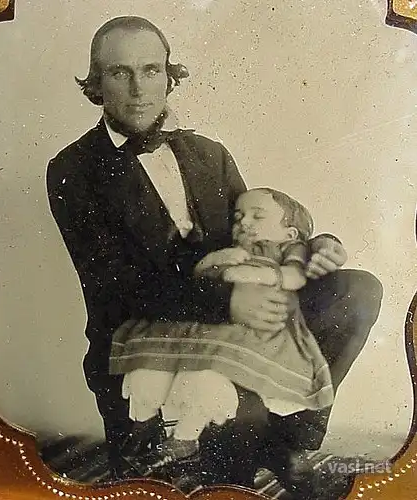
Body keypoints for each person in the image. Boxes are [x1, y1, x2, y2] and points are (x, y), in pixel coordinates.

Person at [46, 15, 383, 493]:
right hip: (143, 338)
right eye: (121, 73)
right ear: (97, 84)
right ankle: (233, 440)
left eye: (152, 70)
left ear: (169, 76)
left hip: (231, 331)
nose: (139, 88)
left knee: (357, 289)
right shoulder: (73, 168)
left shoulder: (210, 153)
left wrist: (315, 245)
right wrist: (228, 301)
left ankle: (292, 442)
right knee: (211, 483)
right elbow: (117, 286)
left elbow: (258, 235)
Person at [109, 188, 335, 469]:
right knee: (156, 358)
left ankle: (185, 438)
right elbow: (199, 275)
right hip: (216, 322)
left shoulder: (287, 249)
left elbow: (295, 277)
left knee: (206, 375)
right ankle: (144, 422)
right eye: (238, 217)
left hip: (260, 323)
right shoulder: (230, 249)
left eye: (257, 216)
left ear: (289, 233)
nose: (244, 223)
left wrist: (261, 274)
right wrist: (212, 262)